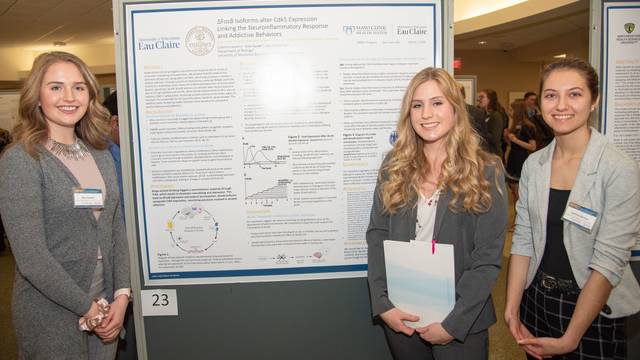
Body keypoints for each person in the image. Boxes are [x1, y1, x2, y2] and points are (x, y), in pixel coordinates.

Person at [367, 67, 508, 359]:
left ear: (456, 109)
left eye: (437, 103)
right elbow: (377, 235)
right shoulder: (394, 165)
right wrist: (383, 303)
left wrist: (453, 323)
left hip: (461, 320)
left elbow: (487, 259)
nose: (426, 114)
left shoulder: (486, 170)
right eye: (418, 105)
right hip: (401, 313)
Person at [505, 58, 640, 359]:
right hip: (536, 300)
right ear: (540, 103)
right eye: (551, 95)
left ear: (595, 101)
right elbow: (524, 239)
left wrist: (570, 339)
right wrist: (512, 308)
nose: (561, 105)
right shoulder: (534, 165)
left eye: (575, 94)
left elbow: (609, 261)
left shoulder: (618, 168)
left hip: (592, 310)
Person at [0, 51, 130, 359]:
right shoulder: (22, 160)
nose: (69, 97)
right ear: (37, 95)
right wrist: (88, 308)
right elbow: (32, 258)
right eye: (56, 87)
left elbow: (116, 227)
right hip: (51, 312)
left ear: (90, 94)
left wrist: (122, 296)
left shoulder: (100, 153)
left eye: (79, 87)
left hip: (107, 302)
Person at [504, 100, 536, 203]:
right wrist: (508, 139)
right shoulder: (513, 126)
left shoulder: (528, 126)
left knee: (520, 195)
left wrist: (515, 140)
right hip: (513, 159)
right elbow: (513, 145)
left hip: (522, 160)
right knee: (514, 193)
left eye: (511, 109)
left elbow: (532, 147)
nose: (509, 112)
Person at [478, 89, 508, 160]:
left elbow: (495, 138)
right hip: (485, 153)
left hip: (493, 155)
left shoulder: (496, 115)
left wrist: (478, 132)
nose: (479, 99)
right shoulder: (484, 114)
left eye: (482, 97)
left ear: (490, 99)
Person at [459, 85, 490, 151]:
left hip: (472, 151)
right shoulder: (445, 112)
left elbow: (483, 137)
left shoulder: (477, 112)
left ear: (463, 96)